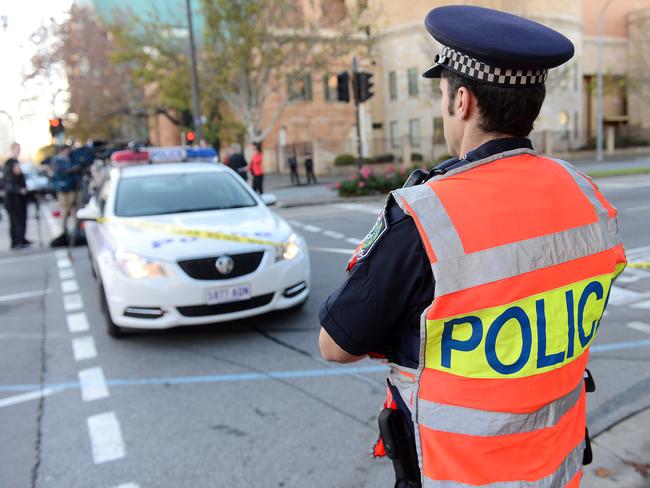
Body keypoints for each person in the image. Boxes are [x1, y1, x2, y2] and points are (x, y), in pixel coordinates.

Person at [318, 6, 626, 488]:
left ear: (461, 101)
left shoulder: (427, 216)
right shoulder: (584, 193)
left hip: (459, 474)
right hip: (558, 469)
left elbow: (336, 345)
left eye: (442, 92)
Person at [3, 142, 31, 249]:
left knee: (21, 220)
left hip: (19, 199)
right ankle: (16, 241)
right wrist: (19, 190)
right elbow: (7, 184)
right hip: (13, 200)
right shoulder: (9, 163)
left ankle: (21, 239)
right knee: (15, 221)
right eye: (17, 149)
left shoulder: (15, 162)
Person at [51, 145, 81, 237]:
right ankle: (64, 229)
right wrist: (72, 169)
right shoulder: (57, 160)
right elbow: (59, 171)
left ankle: (77, 228)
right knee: (64, 208)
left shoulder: (70, 158)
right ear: (63, 150)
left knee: (73, 207)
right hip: (62, 188)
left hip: (71, 186)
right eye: (67, 150)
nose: (68, 152)